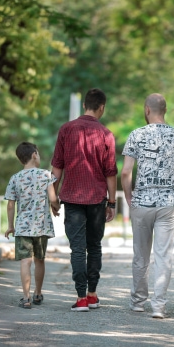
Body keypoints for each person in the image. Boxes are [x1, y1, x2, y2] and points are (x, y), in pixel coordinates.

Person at [121, 93, 174, 319]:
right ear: (165, 110)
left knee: (140, 255)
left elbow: (125, 172)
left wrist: (128, 197)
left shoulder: (136, 134)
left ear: (147, 110)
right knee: (164, 255)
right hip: (168, 203)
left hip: (142, 202)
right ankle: (159, 307)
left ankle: (137, 302)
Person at [51, 88, 118, 312]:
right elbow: (110, 172)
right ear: (102, 108)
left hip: (72, 198)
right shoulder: (106, 134)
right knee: (94, 246)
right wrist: (111, 202)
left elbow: (57, 167)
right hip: (97, 199)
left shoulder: (66, 130)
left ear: (84, 106)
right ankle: (92, 295)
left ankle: (80, 298)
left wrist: (53, 195)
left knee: (77, 248)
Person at [4, 142, 60, 309]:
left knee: (25, 262)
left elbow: (10, 205)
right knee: (40, 260)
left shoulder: (15, 178)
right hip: (42, 226)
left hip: (22, 227)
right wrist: (56, 208)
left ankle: (26, 297)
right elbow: (52, 199)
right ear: (35, 154)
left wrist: (10, 225)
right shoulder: (45, 175)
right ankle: (38, 293)